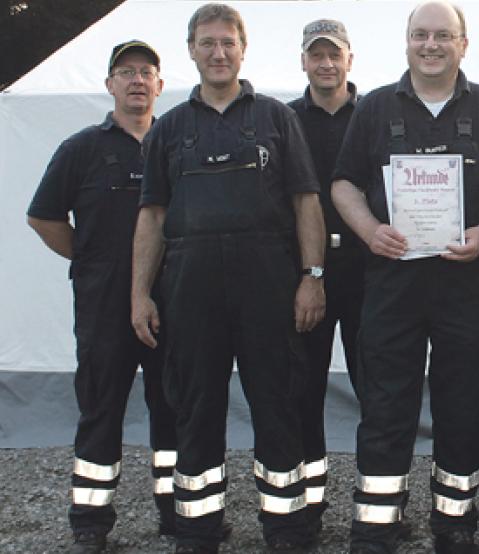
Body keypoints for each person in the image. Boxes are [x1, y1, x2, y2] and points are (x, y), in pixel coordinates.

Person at [331, 2, 479, 552]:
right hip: (392, 281)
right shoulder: (373, 108)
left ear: (463, 44)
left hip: (466, 281)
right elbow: (343, 183)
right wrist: (370, 229)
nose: (431, 45)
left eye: (443, 35)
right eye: (421, 35)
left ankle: (455, 525)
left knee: (461, 403)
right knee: (387, 403)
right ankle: (375, 526)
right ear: (407, 42)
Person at [130, 4, 326, 553]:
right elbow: (151, 217)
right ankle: (197, 528)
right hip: (189, 287)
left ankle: (286, 528)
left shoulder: (275, 117)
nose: (218, 53)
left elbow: (306, 201)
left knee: (277, 403)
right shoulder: (168, 128)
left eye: (228, 43)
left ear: (243, 49)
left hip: (268, 283)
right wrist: (139, 294)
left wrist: (312, 276)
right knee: (195, 408)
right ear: (191, 49)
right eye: (207, 43)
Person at [26, 40, 177, 554]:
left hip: (173, 301)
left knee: (174, 405)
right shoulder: (82, 149)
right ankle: (90, 520)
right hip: (103, 303)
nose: (137, 81)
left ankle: (176, 510)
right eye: (126, 72)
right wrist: (90, 262)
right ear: (109, 84)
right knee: (101, 406)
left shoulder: (178, 144)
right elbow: (43, 216)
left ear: (160, 84)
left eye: (147, 73)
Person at [287, 17, 363, 533]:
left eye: (334, 53)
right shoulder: (283, 119)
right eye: (317, 54)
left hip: (367, 273)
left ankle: (378, 503)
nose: (326, 63)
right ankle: (308, 505)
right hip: (306, 277)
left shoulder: (376, 114)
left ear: (349, 60)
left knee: (379, 393)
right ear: (304, 62)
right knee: (302, 391)